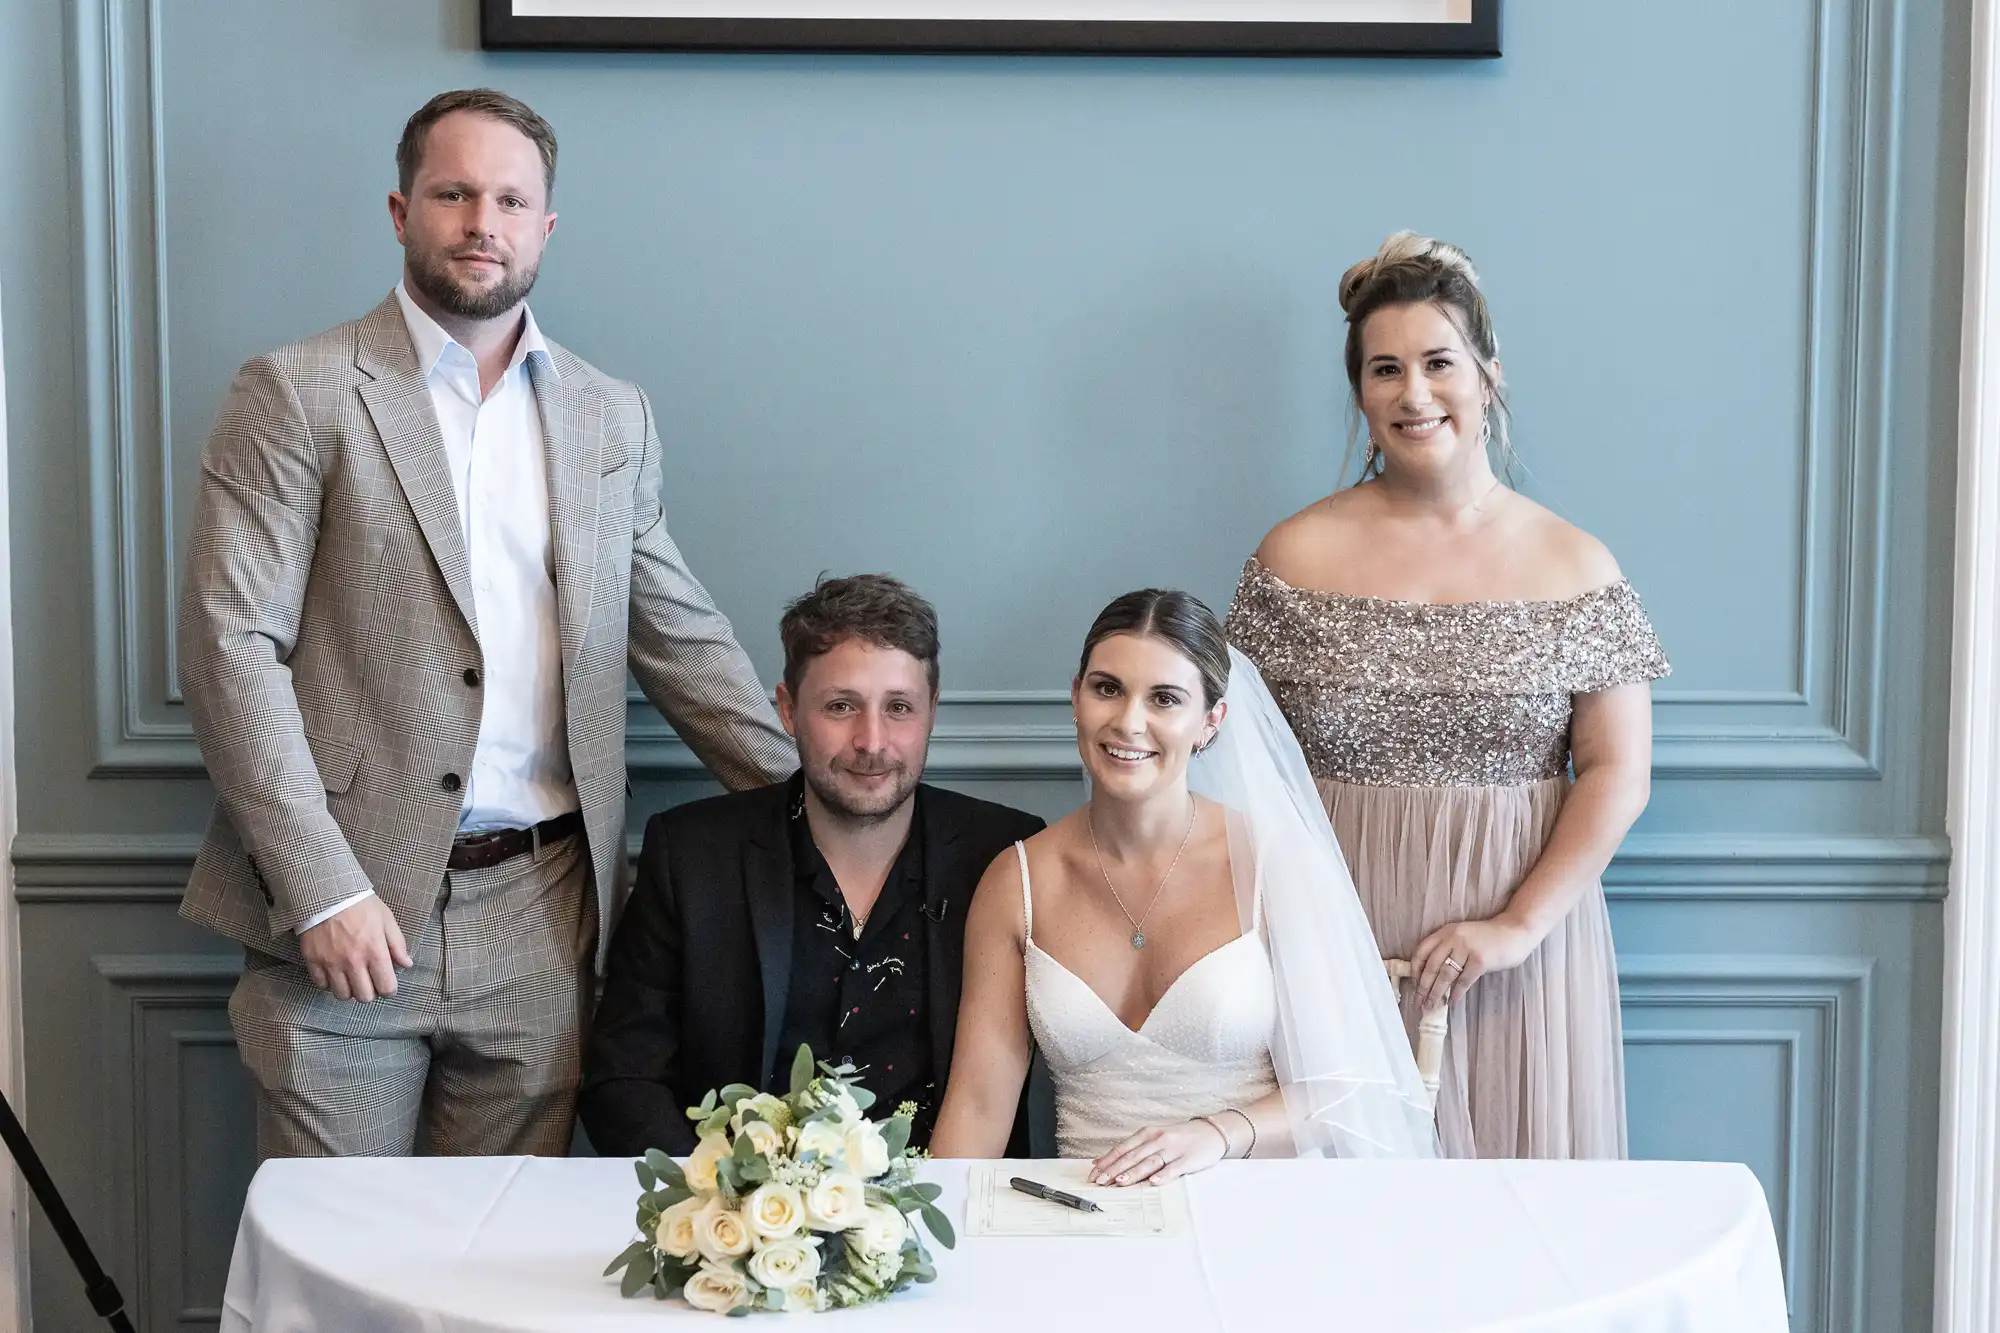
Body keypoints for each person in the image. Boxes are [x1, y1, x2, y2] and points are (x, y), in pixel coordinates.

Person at [178, 89, 795, 1160]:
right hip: (347, 911)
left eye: (510, 199)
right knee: (346, 1279)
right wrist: (321, 884)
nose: (481, 223)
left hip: (546, 919)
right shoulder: (298, 391)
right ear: (400, 209)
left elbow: (680, 638)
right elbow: (232, 649)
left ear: (544, 227)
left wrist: (817, 809)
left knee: (500, 1280)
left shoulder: (611, 415)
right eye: (453, 193)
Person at [1227, 231, 1669, 1159]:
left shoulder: (1575, 563)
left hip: (1519, 956)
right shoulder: (1292, 555)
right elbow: (1235, 763)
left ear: (1488, 375)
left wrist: (1516, 926)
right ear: (1360, 394)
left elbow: (1618, 769)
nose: (1414, 392)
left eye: (1439, 362)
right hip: (1330, 940)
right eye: (1385, 369)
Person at [931, 590, 1433, 1181]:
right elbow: (978, 1109)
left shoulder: (1277, 865)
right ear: (1075, 696)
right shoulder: (1016, 881)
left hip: (1259, 1203)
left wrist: (1217, 1136)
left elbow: (1347, 1089)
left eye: (1165, 699)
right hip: (1091, 1217)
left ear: (1210, 722)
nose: (1128, 721)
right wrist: (932, 1245)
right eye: (1107, 688)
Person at [580, 575, 1045, 1155]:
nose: (871, 741)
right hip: (742, 1221)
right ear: (788, 710)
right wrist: (714, 1200)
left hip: (948, 1208)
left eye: (899, 707)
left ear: (931, 712)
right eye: (840, 706)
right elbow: (623, 1078)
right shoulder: (693, 855)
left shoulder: (1004, 853)